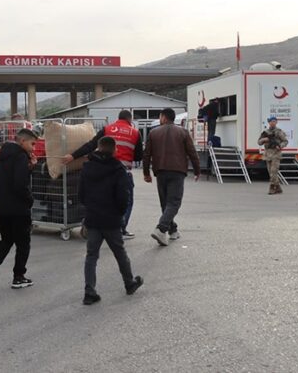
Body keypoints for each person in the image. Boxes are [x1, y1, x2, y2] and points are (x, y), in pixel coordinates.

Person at [79, 136, 143, 305]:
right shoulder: (118, 169)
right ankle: (129, 283)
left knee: (91, 255)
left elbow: (81, 195)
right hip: (111, 219)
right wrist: (120, 214)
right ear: (115, 150)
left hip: (93, 218)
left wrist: (89, 209)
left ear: (98, 148)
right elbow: (123, 197)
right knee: (120, 253)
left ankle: (89, 291)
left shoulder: (87, 167)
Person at [63, 110, 143, 240]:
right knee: (126, 201)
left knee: (102, 199)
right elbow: (139, 156)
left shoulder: (107, 129)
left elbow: (90, 145)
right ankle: (120, 229)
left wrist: (72, 156)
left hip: (102, 170)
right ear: (130, 119)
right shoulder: (135, 132)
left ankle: (92, 223)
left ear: (118, 118)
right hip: (122, 172)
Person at [0, 128, 38, 289]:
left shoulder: (3, 157)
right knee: (23, 243)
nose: (33, 148)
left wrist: (29, 168)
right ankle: (19, 276)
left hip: (2, 208)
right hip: (18, 209)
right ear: (22, 141)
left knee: (7, 239)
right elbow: (20, 184)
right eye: (32, 144)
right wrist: (29, 199)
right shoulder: (20, 156)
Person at [143, 108, 201, 247]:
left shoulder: (154, 132)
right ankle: (161, 229)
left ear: (163, 117)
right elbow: (192, 152)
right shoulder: (182, 132)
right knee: (174, 202)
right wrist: (197, 170)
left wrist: (146, 173)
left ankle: (173, 230)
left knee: (166, 203)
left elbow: (146, 154)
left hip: (160, 171)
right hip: (177, 170)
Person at [0, 114, 34, 227]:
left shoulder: (8, 133)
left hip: (1, 164)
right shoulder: (5, 133)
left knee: (7, 192)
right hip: (3, 165)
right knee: (9, 192)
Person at [258, 116, 288, 195]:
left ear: (276, 122)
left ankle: (272, 188)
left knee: (273, 172)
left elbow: (285, 141)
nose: (273, 123)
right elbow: (259, 142)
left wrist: (280, 146)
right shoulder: (265, 132)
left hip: (276, 153)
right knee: (270, 172)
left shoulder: (279, 132)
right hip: (267, 154)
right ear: (269, 122)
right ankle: (278, 187)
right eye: (271, 121)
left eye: (274, 121)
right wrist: (264, 140)